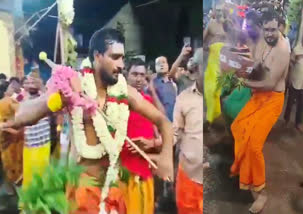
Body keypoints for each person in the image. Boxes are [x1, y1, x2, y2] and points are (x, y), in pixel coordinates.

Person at [1, 28, 173, 214]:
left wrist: (166, 159)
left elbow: (164, 122)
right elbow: (31, 109)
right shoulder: (73, 88)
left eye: (122, 58)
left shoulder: (125, 92)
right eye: (115, 57)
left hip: (114, 190)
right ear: (97, 56)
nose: (121, 64)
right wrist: (14, 121)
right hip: (82, 193)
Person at [231, 10, 290, 213]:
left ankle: (260, 192)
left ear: (280, 27)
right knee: (238, 127)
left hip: (272, 99)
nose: (270, 33)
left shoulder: (283, 50)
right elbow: (257, 63)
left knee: (254, 145)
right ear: (262, 28)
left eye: (274, 29)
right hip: (258, 95)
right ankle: (244, 172)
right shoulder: (264, 40)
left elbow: (269, 83)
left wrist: (242, 81)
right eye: (266, 29)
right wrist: (240, 67)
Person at [119, 58, 162, 214]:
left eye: (142, 75)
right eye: (134, 74)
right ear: (126, 74)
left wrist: (151, 143)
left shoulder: (148, 102)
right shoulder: (116, 102)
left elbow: (162, 138)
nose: (138, 79)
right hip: (123, 175)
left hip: (145, 172)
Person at [173, 48, 203, 214]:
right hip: (188, 179)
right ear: (196, 70)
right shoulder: (184, 98)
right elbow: (175, 133)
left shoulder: (224, 94)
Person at [152, 56, 177, 122]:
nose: (161, 65)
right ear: (155, 67)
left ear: (168, 65)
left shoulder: (174, 84)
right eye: (158, 63)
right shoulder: (151, 84)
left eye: (163, 62)